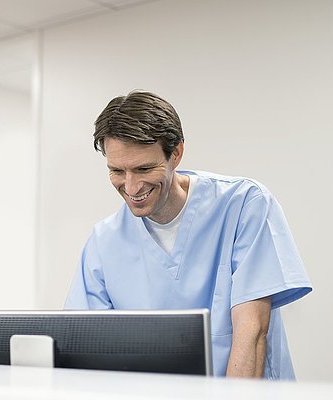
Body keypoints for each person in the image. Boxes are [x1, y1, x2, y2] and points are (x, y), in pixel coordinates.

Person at [65, 90, 312, 379]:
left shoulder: (244, 204)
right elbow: (86, 348)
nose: (131, 188)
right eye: (117, 171)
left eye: (144, 168)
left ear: (176, 153)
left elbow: (253, 331)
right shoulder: (104, 241)